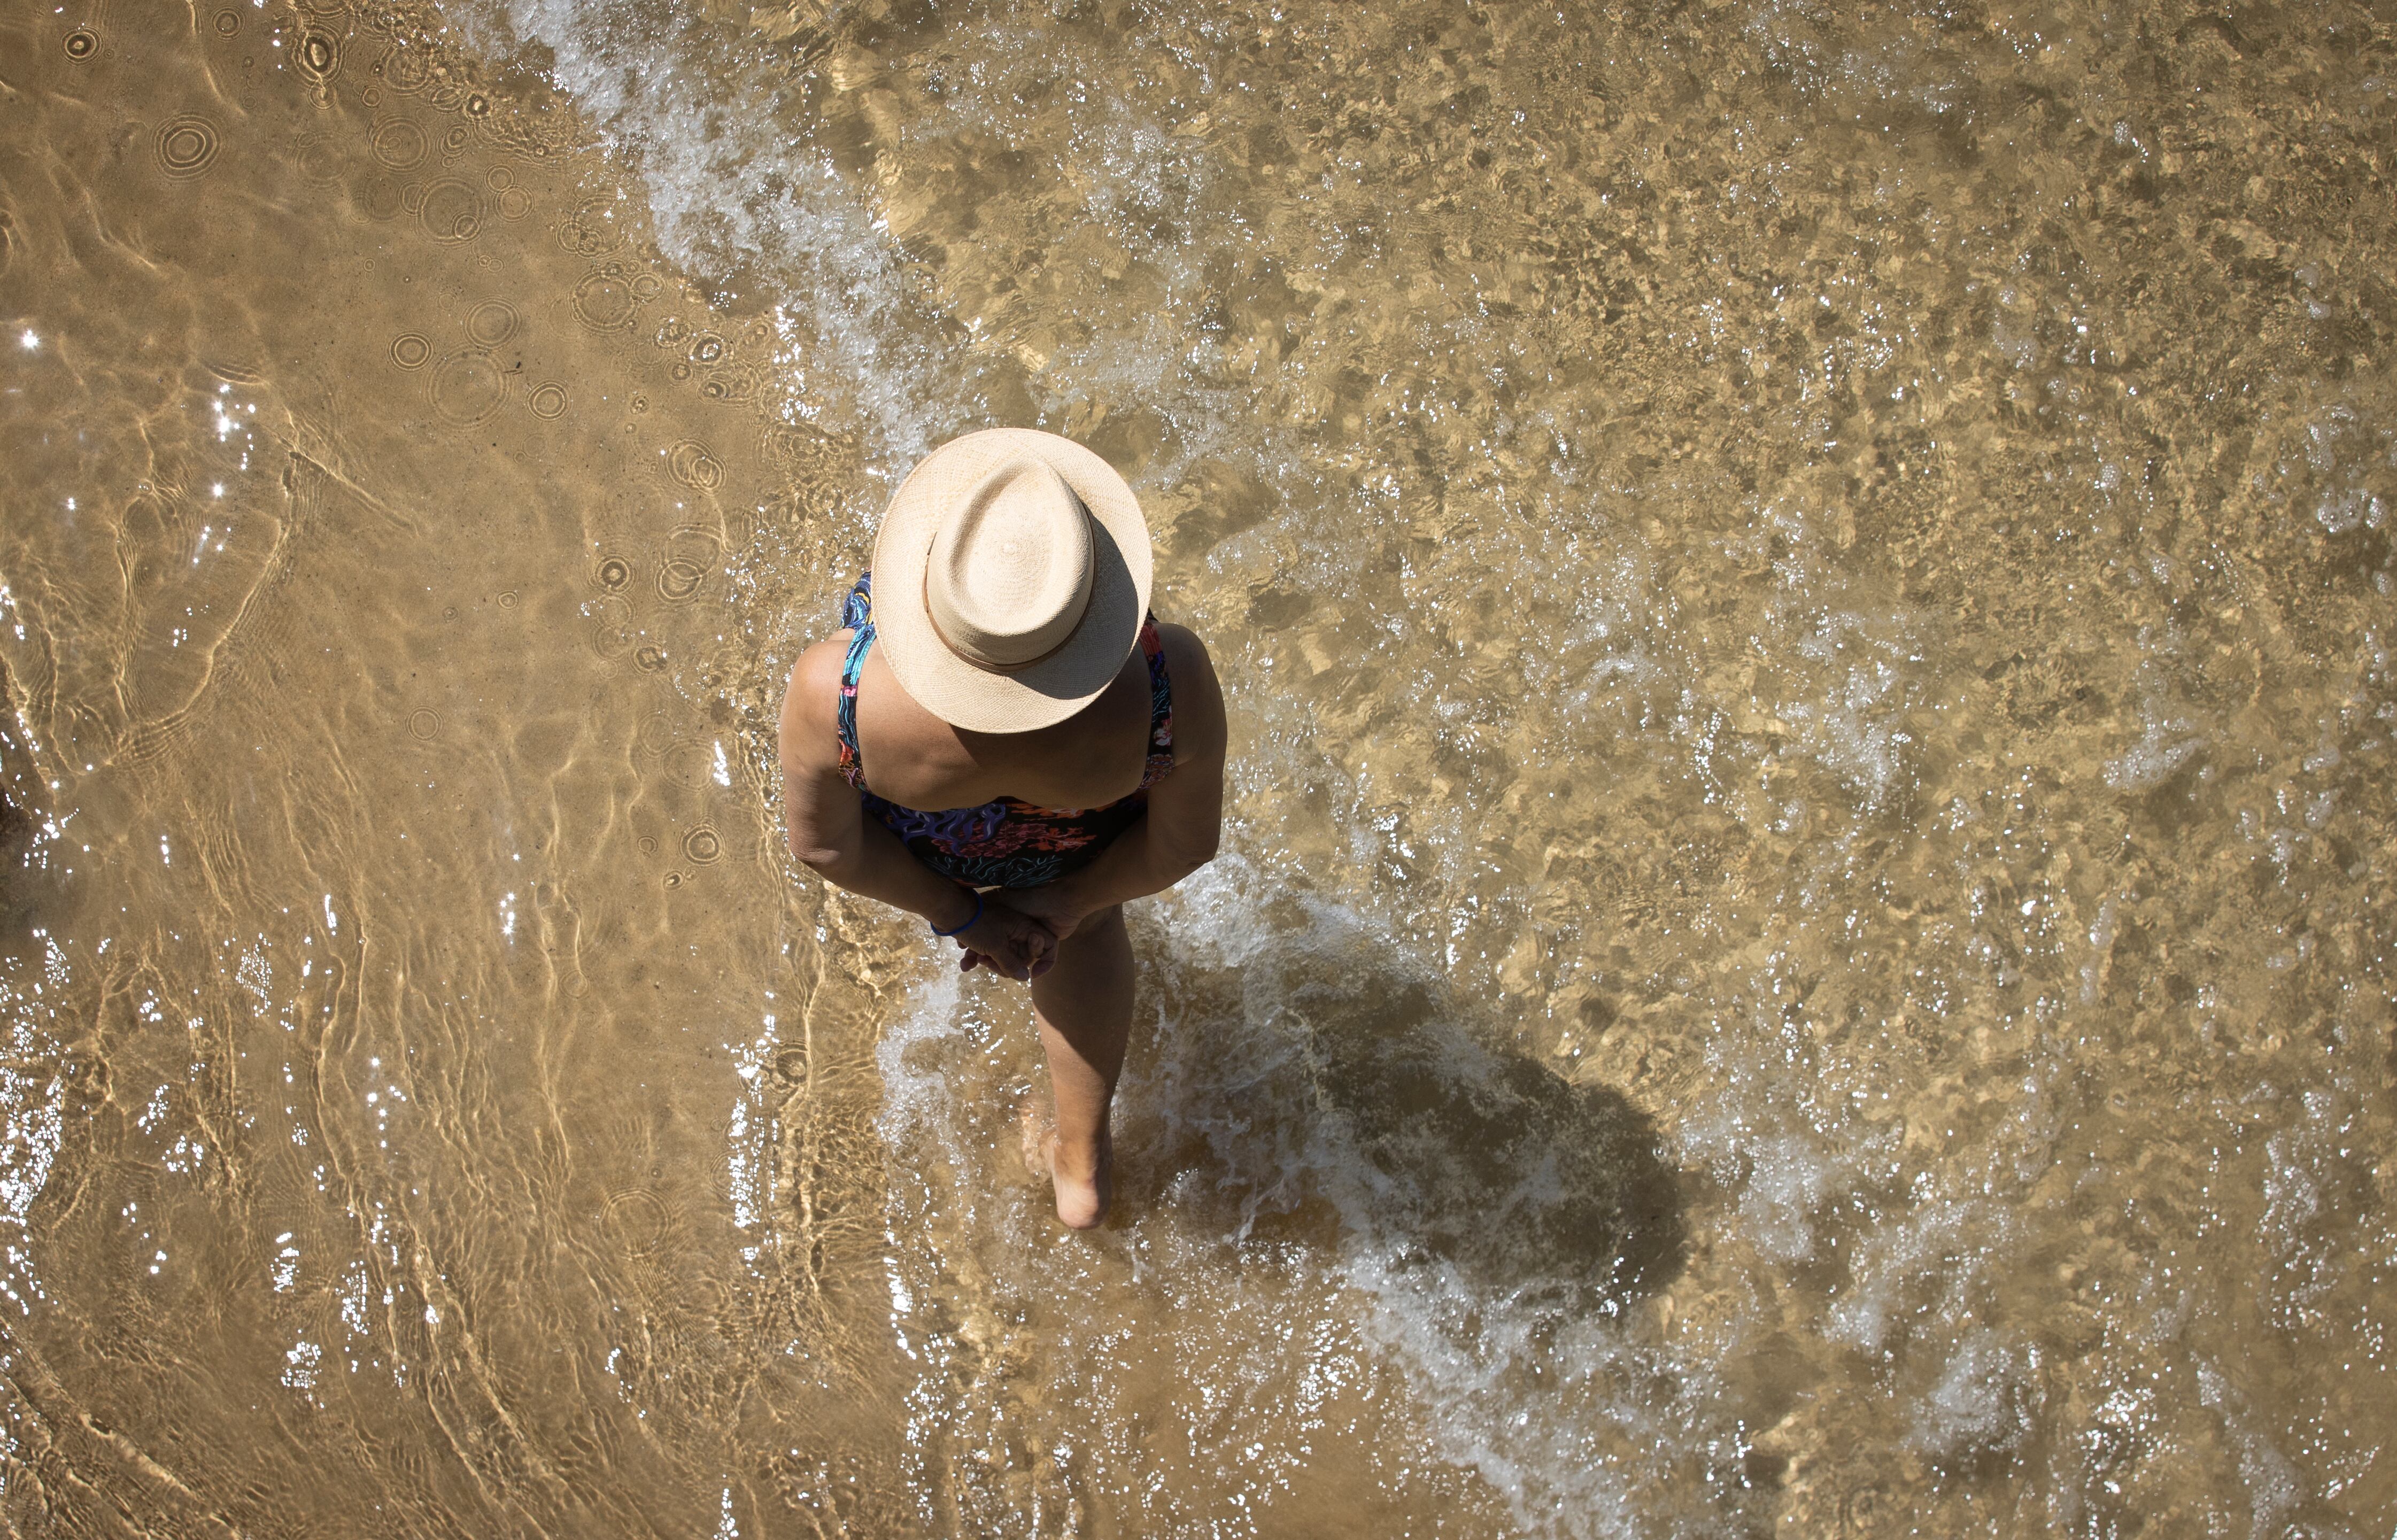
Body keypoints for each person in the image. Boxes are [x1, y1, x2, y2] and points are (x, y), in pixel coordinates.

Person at [777, 430, 1226, 1229]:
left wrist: (962, 911)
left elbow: (825, 844)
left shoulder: (834, 694)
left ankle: (1078, 1155)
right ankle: (1081, 1165)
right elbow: (1183, 844)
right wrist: (1069, 902)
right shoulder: (1169, 684)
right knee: (1089, 935)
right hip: (1074, 838)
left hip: (935, 842)